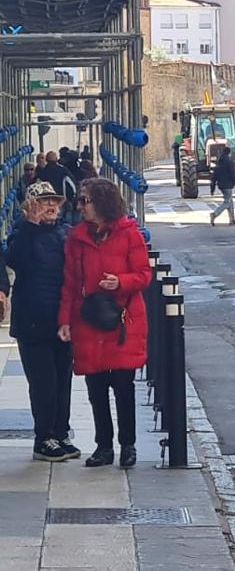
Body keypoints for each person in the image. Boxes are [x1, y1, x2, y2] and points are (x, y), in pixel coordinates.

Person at [58, 178, 150, 469]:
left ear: (102, 203)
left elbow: (144, 274)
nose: (80, 206)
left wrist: (119, 282)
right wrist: (64, 321)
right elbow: (70, 283)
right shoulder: (77, 238)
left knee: (123, 386)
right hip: (89, 320)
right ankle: (103, 446)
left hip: (122, 319)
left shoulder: (128, 233)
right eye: (81, 201)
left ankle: (128, 445)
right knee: (95, 388)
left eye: (86, 200)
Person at [5, 182, 79, 462]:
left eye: (54, 201)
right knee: (43, 382)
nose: (50, 206)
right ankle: (43, 437)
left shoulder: (65, 232)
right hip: (33, 319)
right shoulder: (22, 233)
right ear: (30, 206)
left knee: (63, 379)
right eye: (43, 201)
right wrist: (30, 226)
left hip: (62, 319)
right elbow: (14, 261)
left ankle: (60, 432)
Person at [209, 145, 235, 227]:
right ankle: (214, 214)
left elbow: (214, 177)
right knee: (227, 202)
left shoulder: (219, 163)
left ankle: (232, 219)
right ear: (229, 153)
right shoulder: (229, 162)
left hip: (221, 185)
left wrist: (212, 189)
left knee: (230, 201)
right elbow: (233, 174)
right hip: (227, 185)